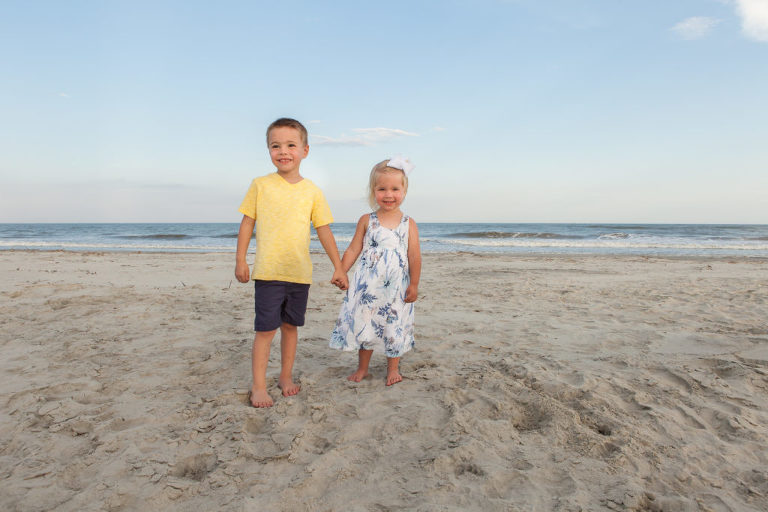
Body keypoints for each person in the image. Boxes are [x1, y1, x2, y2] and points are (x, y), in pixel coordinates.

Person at [235, 117, 348, 408]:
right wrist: (241, 260)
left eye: (290, 145)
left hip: (299, 274)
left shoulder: (312, 191)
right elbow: (248, 223)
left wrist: (339, 266)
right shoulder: (260, 185)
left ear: (305, 150)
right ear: (268, 150)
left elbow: (323, 229)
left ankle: (285, 377)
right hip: (269, 272)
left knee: (290, 327)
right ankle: (258, 386)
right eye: (276, 145)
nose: (283, 151)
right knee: (265, 330)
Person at [329, 156, 422, 386]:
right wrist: (341, 270)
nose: (388, 194)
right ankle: (363, 368)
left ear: (404, 190)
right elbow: (353, 249)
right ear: (373, 190)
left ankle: (393, 368)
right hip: (368, 286)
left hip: (396, 287)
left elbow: (414, 256)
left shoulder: (408, 223)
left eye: (395, 189)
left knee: (394, 324)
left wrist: (414, 284)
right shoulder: (366, 220)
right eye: (382, 189)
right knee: (365, 323)